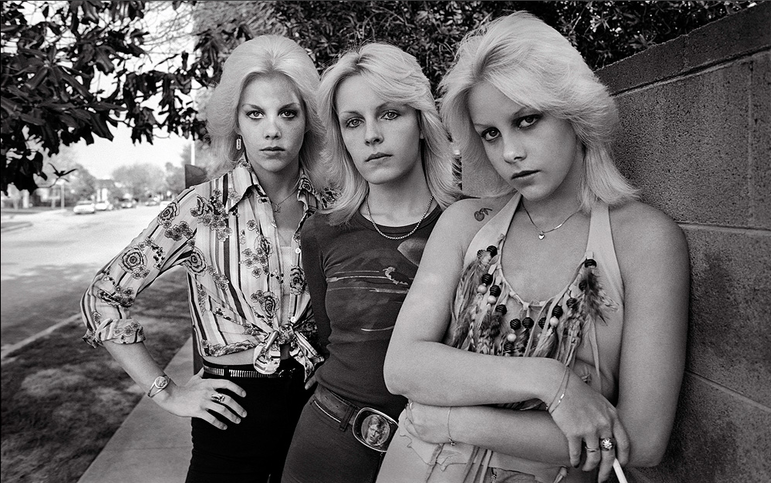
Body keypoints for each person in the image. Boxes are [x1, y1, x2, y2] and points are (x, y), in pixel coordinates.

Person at [377, 11, 689, 483]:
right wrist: (551, 381)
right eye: (490, 133)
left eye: (526, 120)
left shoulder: (644, 240)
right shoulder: (465, 224)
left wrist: (456, 422)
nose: (509, 153)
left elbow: (641, 440)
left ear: (574, 111)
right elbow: (402, 367)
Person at [80, 35, 335, 483]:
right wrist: (166, 391)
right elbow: (102, 296)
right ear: (236, 123)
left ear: (307, 122)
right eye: (255, 114)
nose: (271, 130)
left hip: (317, 412)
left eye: (287, 113)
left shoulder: (332, 207)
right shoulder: (200, 207)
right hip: (231, 414)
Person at [281, 43, 460, 483]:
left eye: (390, 114)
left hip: (440, 451)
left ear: (422, 122)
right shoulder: (321, 232)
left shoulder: (473, 224)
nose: (371, 136)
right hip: (330, 442)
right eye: (353, 122)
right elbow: (329, 338)